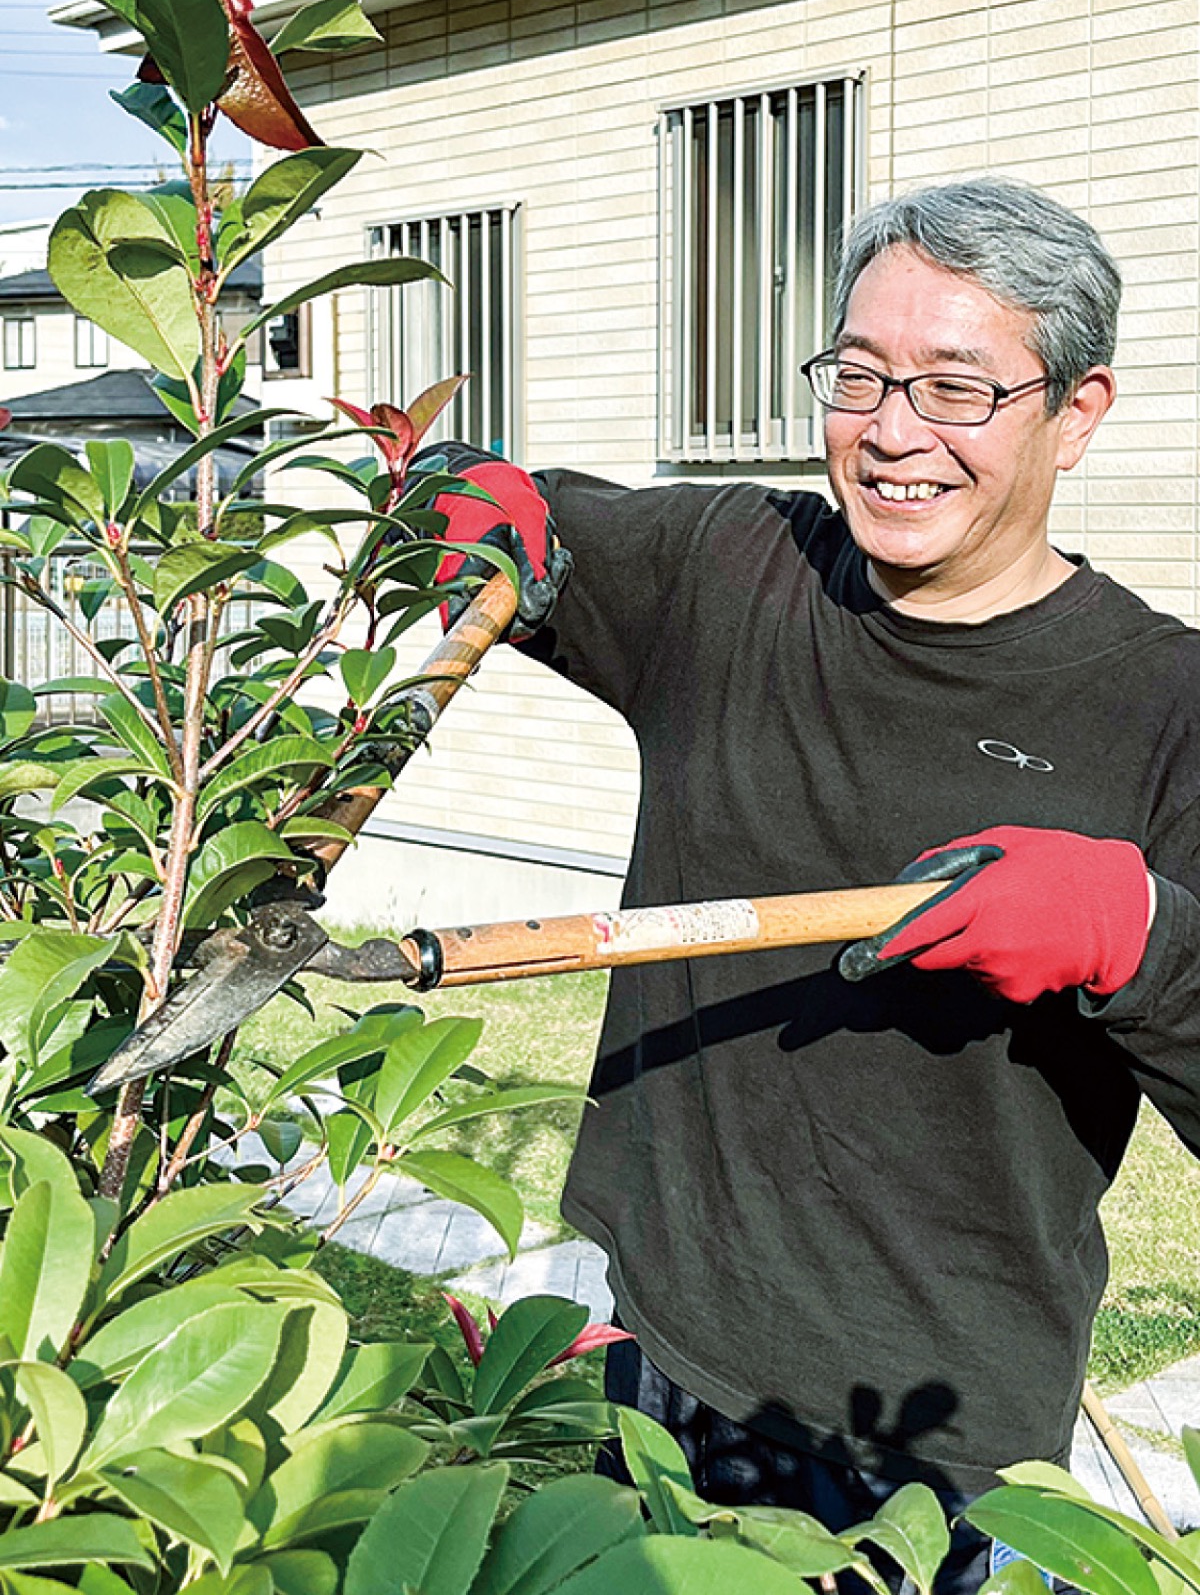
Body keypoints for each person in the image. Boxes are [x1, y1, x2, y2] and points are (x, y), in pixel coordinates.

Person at [421, 176, 1200, 1590]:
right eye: (858, 375)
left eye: (959, 390)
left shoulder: (1167, 708)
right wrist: (459, 493)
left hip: (926, 1426)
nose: (892, 434)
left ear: (1075, 414)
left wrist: (1137, 936)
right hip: (663, 1333)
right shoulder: (730, 570)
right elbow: (525, 517)